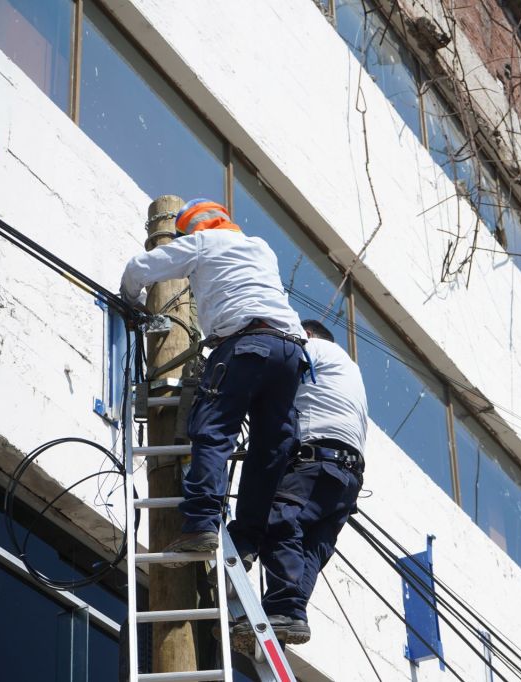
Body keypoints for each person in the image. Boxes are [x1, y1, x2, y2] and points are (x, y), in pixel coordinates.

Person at [121, 198, 307, 564]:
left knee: (213, 431)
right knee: (268, 453)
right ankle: (247, 543)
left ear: (191, 229)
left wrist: (132, 300)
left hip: (243, 346)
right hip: (291, 353)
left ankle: (201, 524)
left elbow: (140, 267)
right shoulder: (260, 248)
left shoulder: (202, 242)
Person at [229, 319, 367, 649]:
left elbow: (271, 370)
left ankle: (285, 606)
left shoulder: (315, 349)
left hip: (319, 463)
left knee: (279, 518)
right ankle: (289, 614)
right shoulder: (348, 372)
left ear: (305, 335)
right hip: (345, 479)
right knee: (309, 548)